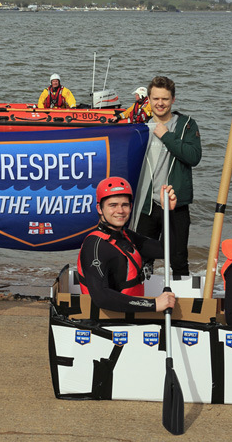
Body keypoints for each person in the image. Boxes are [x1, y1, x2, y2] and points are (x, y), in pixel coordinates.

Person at [132, 76, 202, 276]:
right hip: (147, 205)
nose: (160, 103)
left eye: (164, 99)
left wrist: (166, 136)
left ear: (173, 99)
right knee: (142, 260)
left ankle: (181, 304)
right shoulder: (141, 127)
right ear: (149, 100)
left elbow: (193, 157)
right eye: (155, 99)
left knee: (178, 258)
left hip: (175, 204)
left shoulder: (186, 125)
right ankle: (145, 302)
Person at [76, 177, 176, 313]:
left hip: (132, 315)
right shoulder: (95, 246)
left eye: (125, 205)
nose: (120, 210)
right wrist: (153, 304)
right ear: (100, 208)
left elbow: (166, 250)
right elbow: (101, 298)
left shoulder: (126, 236)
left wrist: (167, 212)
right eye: (113, 205)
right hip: (108, 323)